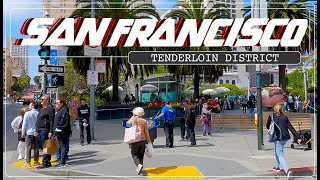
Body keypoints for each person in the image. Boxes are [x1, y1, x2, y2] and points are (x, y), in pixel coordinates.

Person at [266, 104, 302, 179]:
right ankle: (277, 167)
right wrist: (297, 137)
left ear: (274, 110)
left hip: (278, 137)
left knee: (280, 154)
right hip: (285, 138)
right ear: (281, 109)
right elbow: (291, 127)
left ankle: (287, 171)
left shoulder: (271, 116)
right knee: (277, 151)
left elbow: (267, 126)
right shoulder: (285, 117)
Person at [127, 107, 152, 175]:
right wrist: (149, 141)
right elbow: (146, 132)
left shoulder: (133, 119)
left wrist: (133, 116)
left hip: (135, 140)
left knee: (134, 154)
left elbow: (127, 123)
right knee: (141, 155)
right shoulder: (144, 121)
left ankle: (139, 165)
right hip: (143, 140)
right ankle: (140, 166)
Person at [35, 95, 55, 169]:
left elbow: (51, 120)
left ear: (47, 100)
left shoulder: (50, 109)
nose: (41, 100)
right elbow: (38, 120)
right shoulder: (41, 109)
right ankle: (47, 161)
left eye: (42, 99)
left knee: (45, 147)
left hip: (45, 130)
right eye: (41, 99)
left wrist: (51, 131)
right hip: (40, 130)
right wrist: (36, 130)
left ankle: (45, 162)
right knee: (44, 146)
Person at [53, 99, 71, 167]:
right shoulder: (60, 110)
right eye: (55, 103)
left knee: (63, 146)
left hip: (63, 132)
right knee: (61, 146)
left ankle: (62, 162)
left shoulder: (64, 110)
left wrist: (58, 129)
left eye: (57, 103)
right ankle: (62, 161)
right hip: (60, 132)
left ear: (61, 104)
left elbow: (63, 121)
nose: (56, 104)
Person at [22, 102, 40, 167]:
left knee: (28, 147)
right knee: (36, 147)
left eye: (30, 105)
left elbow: (24, 124)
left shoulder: (27, 113)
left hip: (29, 132)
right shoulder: (38, 113)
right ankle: (36, 161)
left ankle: (28, 162)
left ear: (32, 106)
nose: (29, 107)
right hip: (36, 132)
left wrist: (23, 133)